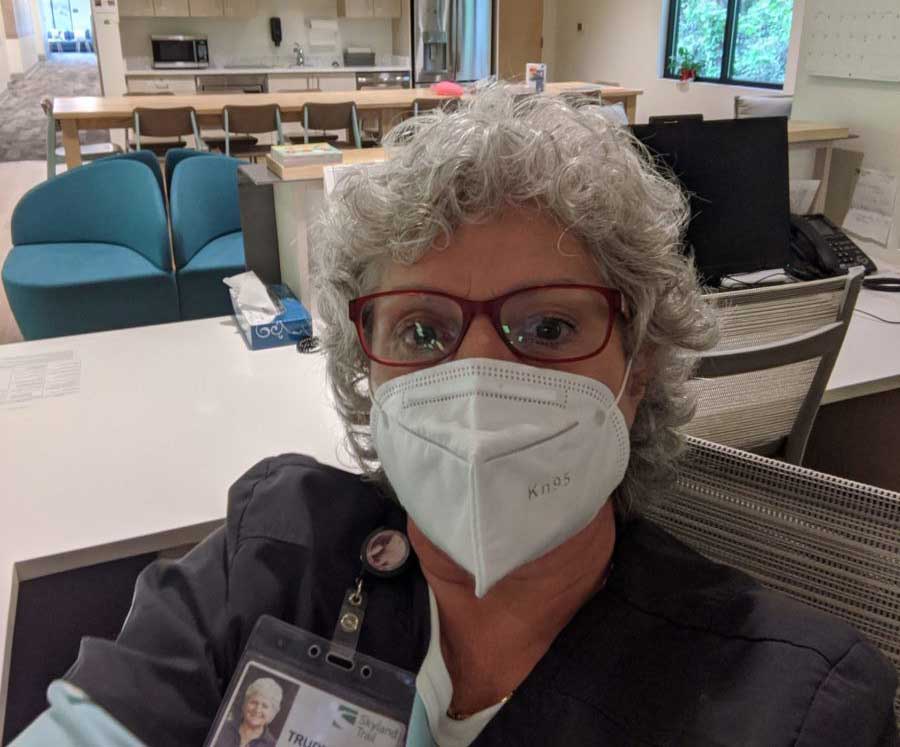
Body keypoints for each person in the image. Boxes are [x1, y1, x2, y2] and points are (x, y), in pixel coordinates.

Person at [11, 86, 897, 747]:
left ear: (641, 363)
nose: (476, 376)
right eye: (423, 329)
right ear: (369, 371)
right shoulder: (274, 553)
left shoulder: (792, 709)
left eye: (548, 325)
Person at [214, 677, 282, 747]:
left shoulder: (272, 745)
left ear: (273, 712)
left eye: (264, 706)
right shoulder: (221, 727)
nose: (257, 710)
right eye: (254, 702)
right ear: (245, 703)